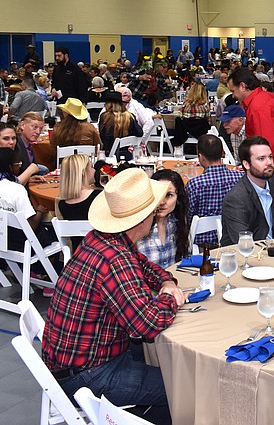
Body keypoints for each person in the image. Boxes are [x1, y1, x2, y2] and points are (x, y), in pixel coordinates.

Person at [42, 168, 183, 425]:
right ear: (143, 220)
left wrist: (165, 281)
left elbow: (143, 265)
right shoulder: (116, 259)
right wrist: (172, 298)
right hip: (87, 374)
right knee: (180, 388)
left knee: (159, 361)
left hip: (72, 360)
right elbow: (147, 324)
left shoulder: (102, 240)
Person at [0, 147, 53, 275]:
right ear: (10, 167)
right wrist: (40, 211)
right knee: (52, 234)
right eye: (18, 164)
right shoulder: (16, 189)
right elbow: (31, 225)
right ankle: (45, 273)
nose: (19, 167)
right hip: (20, 243)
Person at [220, 136, 274, 246]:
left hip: (273, 249)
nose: (269, 162)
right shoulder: (236, 198)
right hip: (245, 256)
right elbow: (243, 243)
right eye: (261, 159)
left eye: (270, 157)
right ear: (246, 164)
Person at [186, 135, 241, 247]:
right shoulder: (240, 178)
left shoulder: (195, 184)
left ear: (200, 156)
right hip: (234, 236)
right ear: (223, 152)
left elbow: (187, 216)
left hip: (202, 241)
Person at [135, 170, 190, 269]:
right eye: (158, 194)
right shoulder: (140, 226)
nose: (162, 202)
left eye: (168, 195)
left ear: (178, 199)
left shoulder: (177, 223)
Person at [56, 153, 101, 224]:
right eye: (91, 167)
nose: (94, 170)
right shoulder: (99, 197)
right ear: (83, 172)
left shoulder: (62, 204)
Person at [99, 92, 143, 160]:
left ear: (109, 104)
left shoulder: (105, 117)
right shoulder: (130, 116)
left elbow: (102, 136)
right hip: (127, 155)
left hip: (109, 155)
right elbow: (139, 133)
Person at [176, 81, 211, 146]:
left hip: (186, 131)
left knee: (178, 120)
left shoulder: (185, 104)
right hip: (201, 132)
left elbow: (182, 117)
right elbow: (208, 121)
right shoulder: (205, 106)